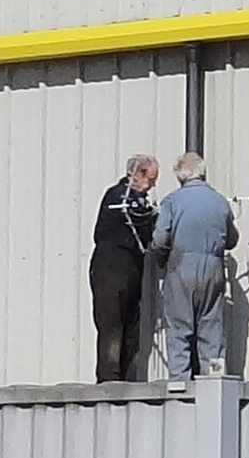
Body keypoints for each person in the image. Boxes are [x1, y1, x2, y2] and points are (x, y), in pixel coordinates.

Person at [152, 152, 239, 381]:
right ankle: (214, 382)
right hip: (213, 268)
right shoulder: (219, 201)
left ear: (180, 178)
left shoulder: (172, 201)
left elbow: (160, 239)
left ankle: (180, 385)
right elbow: (232, 239)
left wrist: (161, 261)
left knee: (179, 329)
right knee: (212, 330)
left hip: (181, 266)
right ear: (203, 173)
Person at [89, 154, 159, 382]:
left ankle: (127, 377)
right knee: (112, 324)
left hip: (132, 268)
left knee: (131, 327)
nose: (153, 185)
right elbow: (138, 223)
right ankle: (109, 379)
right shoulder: (117, 197)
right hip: (111, 266)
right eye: (151, 178)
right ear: (137, 174)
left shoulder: (140, 203)